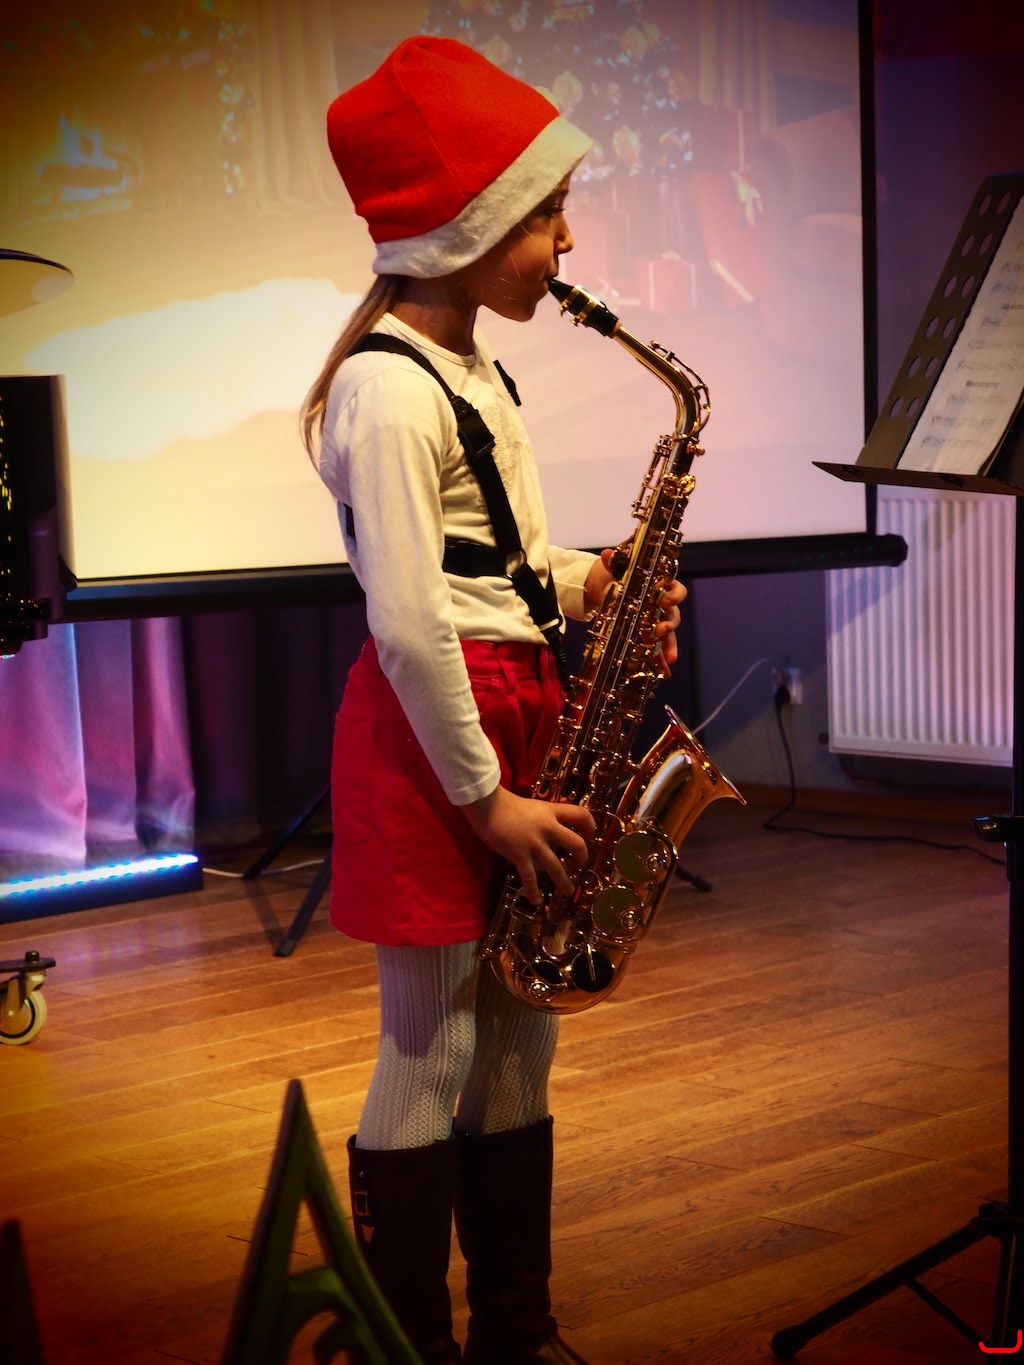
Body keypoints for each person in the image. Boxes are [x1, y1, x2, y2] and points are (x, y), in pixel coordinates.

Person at [303, 35, 684, 1365]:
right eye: (544, 214)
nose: (565, 243)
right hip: (437, 739)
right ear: (463, 226)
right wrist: (487, 800)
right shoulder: (384, 389)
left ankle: (514, 1332)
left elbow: (493, 563)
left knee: (522, 1033)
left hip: (515, 705)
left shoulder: (477, 370)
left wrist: (593, 580)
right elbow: (412, 622)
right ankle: (406, 1345)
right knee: (431, 1038)